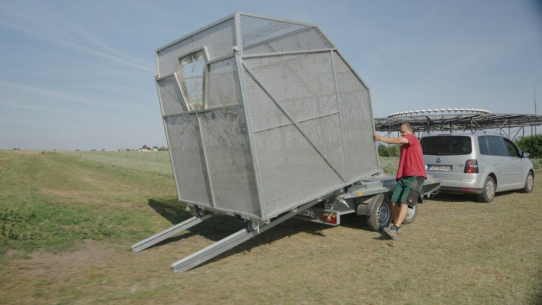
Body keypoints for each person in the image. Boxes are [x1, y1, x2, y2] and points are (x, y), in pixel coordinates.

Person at [373, 122, 427, 240]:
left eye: (403, 132)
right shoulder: (407, 141)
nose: (401, 134)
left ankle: (394, 228)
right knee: (393, 202)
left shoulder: (412, 138)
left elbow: (397, 140)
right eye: (400, 132)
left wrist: (380, 138)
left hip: (415, 176)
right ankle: (397, 227)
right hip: (403, 177)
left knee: (404, 202)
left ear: (409, 131)